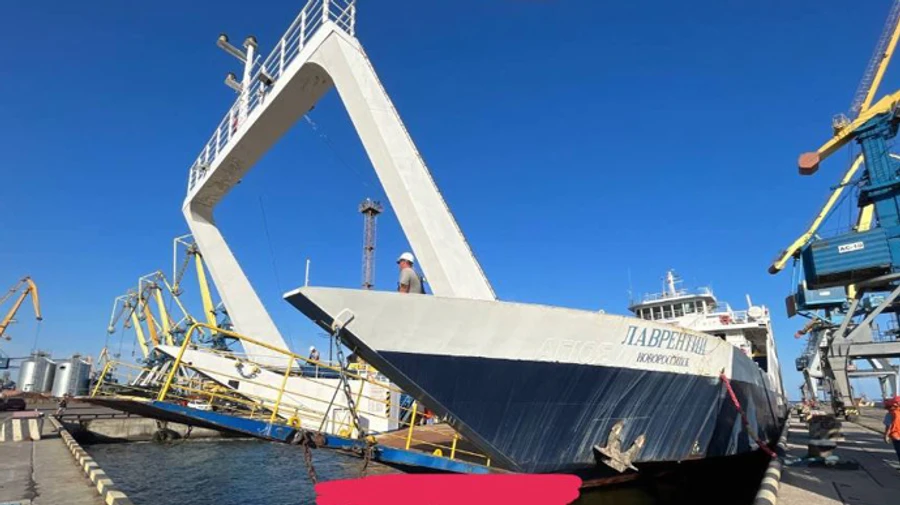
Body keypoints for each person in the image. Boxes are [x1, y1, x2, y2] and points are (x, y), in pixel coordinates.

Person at [883, 396, 900, 464]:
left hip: (896, 435)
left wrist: (886, 436)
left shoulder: (890, 414)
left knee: (899, 451)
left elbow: (889, 426)